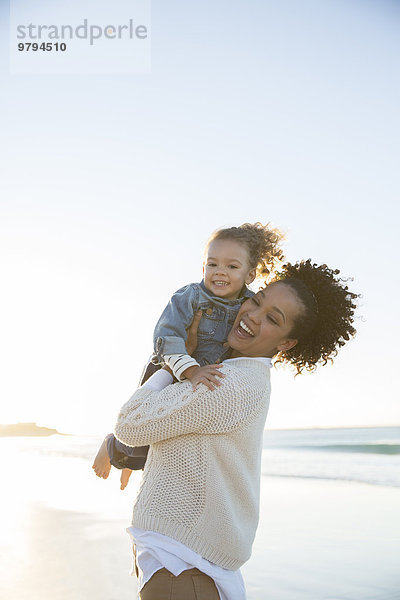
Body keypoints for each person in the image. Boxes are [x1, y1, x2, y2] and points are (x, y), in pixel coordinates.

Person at [112, 259, 358, 600]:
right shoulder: (232, 374)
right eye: (257, 300)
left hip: (183, 567)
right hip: (183, 562)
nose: (254, 315)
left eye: (273, 319)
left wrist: (174, 363)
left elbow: (131, 424)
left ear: (286, 344)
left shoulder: (228, 384)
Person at [92, 222, 284, 484]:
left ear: (250, 275)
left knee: (166, 437)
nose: (220, 272)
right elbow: (166, 338)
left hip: (203, 374)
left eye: (232, 266)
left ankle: (129, 463)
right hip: (172, 367)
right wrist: (190, 369)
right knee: (142, 432)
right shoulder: (190, 296)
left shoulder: (249, 304)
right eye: (212, 264)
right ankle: (112, 445)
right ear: (203, 267)